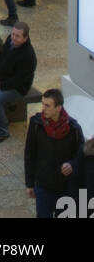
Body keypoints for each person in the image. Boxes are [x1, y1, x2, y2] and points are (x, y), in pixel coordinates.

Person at [24, 89, 84, 218]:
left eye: (47, 105)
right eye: (43, 104)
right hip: (43, 185)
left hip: (65, 188)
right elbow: (29, 154)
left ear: (58, 108)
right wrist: (29, 183)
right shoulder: (36, 124)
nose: (43, 109)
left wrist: (72, 164)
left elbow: (81, 154)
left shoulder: (74, 129)